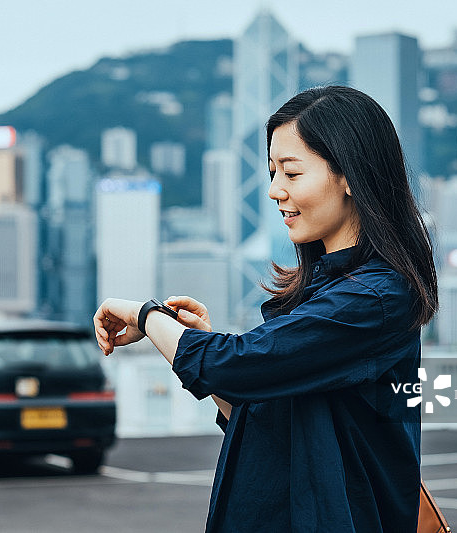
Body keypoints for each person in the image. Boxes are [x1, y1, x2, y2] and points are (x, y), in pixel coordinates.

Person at [93, 85, 438, 533]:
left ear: (350, 175)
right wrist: (198, 342)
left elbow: (227, 364)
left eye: (291, 174)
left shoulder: (374, 298)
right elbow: (264, 418)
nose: (275, 191)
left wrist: (147, 316)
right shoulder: (323, 291)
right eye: (273, 172)